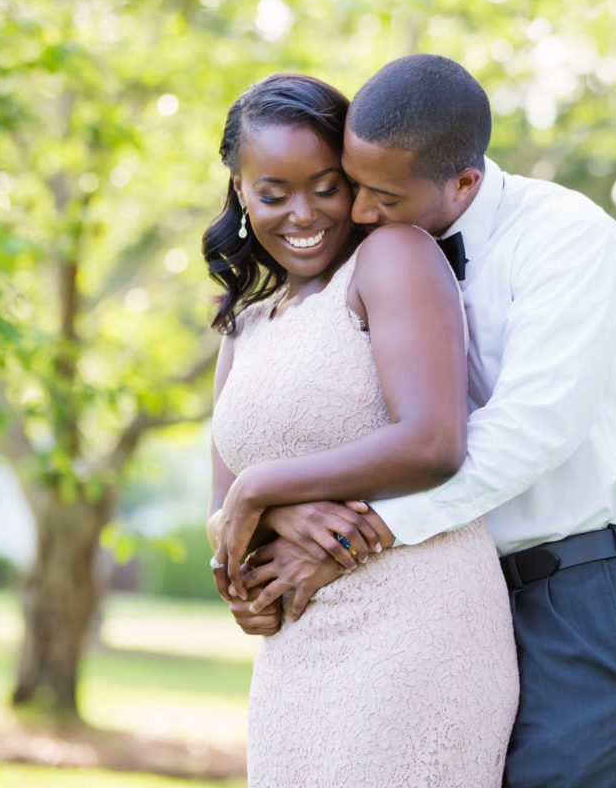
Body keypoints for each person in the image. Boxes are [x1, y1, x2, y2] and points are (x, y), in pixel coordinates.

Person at [227, 54, 616, 788]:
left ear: (464, 182)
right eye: (355, 187)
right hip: (464, 593)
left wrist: (358, 534)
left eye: (380, 196)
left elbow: (530, 431)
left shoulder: (570, 238)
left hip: (582, 588)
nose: (361, 214)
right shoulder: (388, 257)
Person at [202, 72, 518, 787]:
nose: (303, 213)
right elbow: (224, 515)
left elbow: (434, 441)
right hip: (298, 647)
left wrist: (263, 488)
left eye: (327, 185)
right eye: (274, 193)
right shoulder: (244, 329)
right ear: (240, 192)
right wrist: (260, 532)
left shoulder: (393, 257)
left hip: (414, 626)